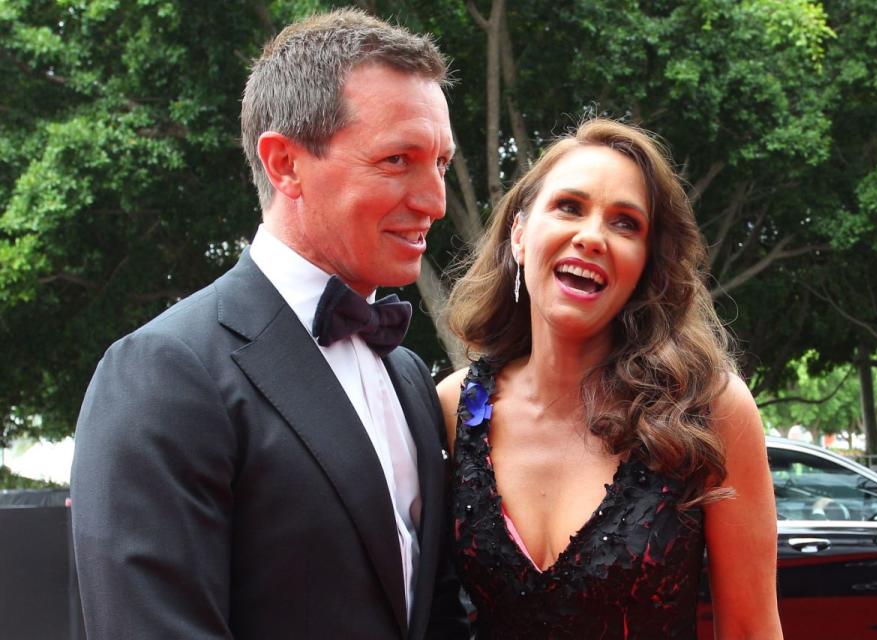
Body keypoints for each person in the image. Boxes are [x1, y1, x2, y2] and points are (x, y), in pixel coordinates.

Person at [70, 9, 468, 639]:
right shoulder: (164, 373)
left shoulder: (408, 374)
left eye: (441, 163)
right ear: (285, 163)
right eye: (398, 160)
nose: (434, 200)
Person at [437, 118, 783, 639]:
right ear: (520, 235)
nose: (592, 237)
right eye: (569, 207)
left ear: (646, 264)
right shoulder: (452, 406)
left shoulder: (710, 409)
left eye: (625, 224)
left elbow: (751, 629)